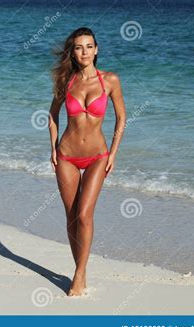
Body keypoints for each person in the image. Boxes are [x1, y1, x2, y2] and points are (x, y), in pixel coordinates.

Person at [48, 27, 126, 296]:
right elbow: (52, 116)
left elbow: (121, 118)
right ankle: (80, 269)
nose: (84, 52)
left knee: (84, 214)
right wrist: (52, 149)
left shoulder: (110, 80)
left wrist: (114, 152)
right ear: (73, 51)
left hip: (97, 157)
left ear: (97, 49)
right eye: (79, 47)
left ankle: (79, 274)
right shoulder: (66, 80)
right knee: (71, 218)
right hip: (67, 156)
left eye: (89, 46)